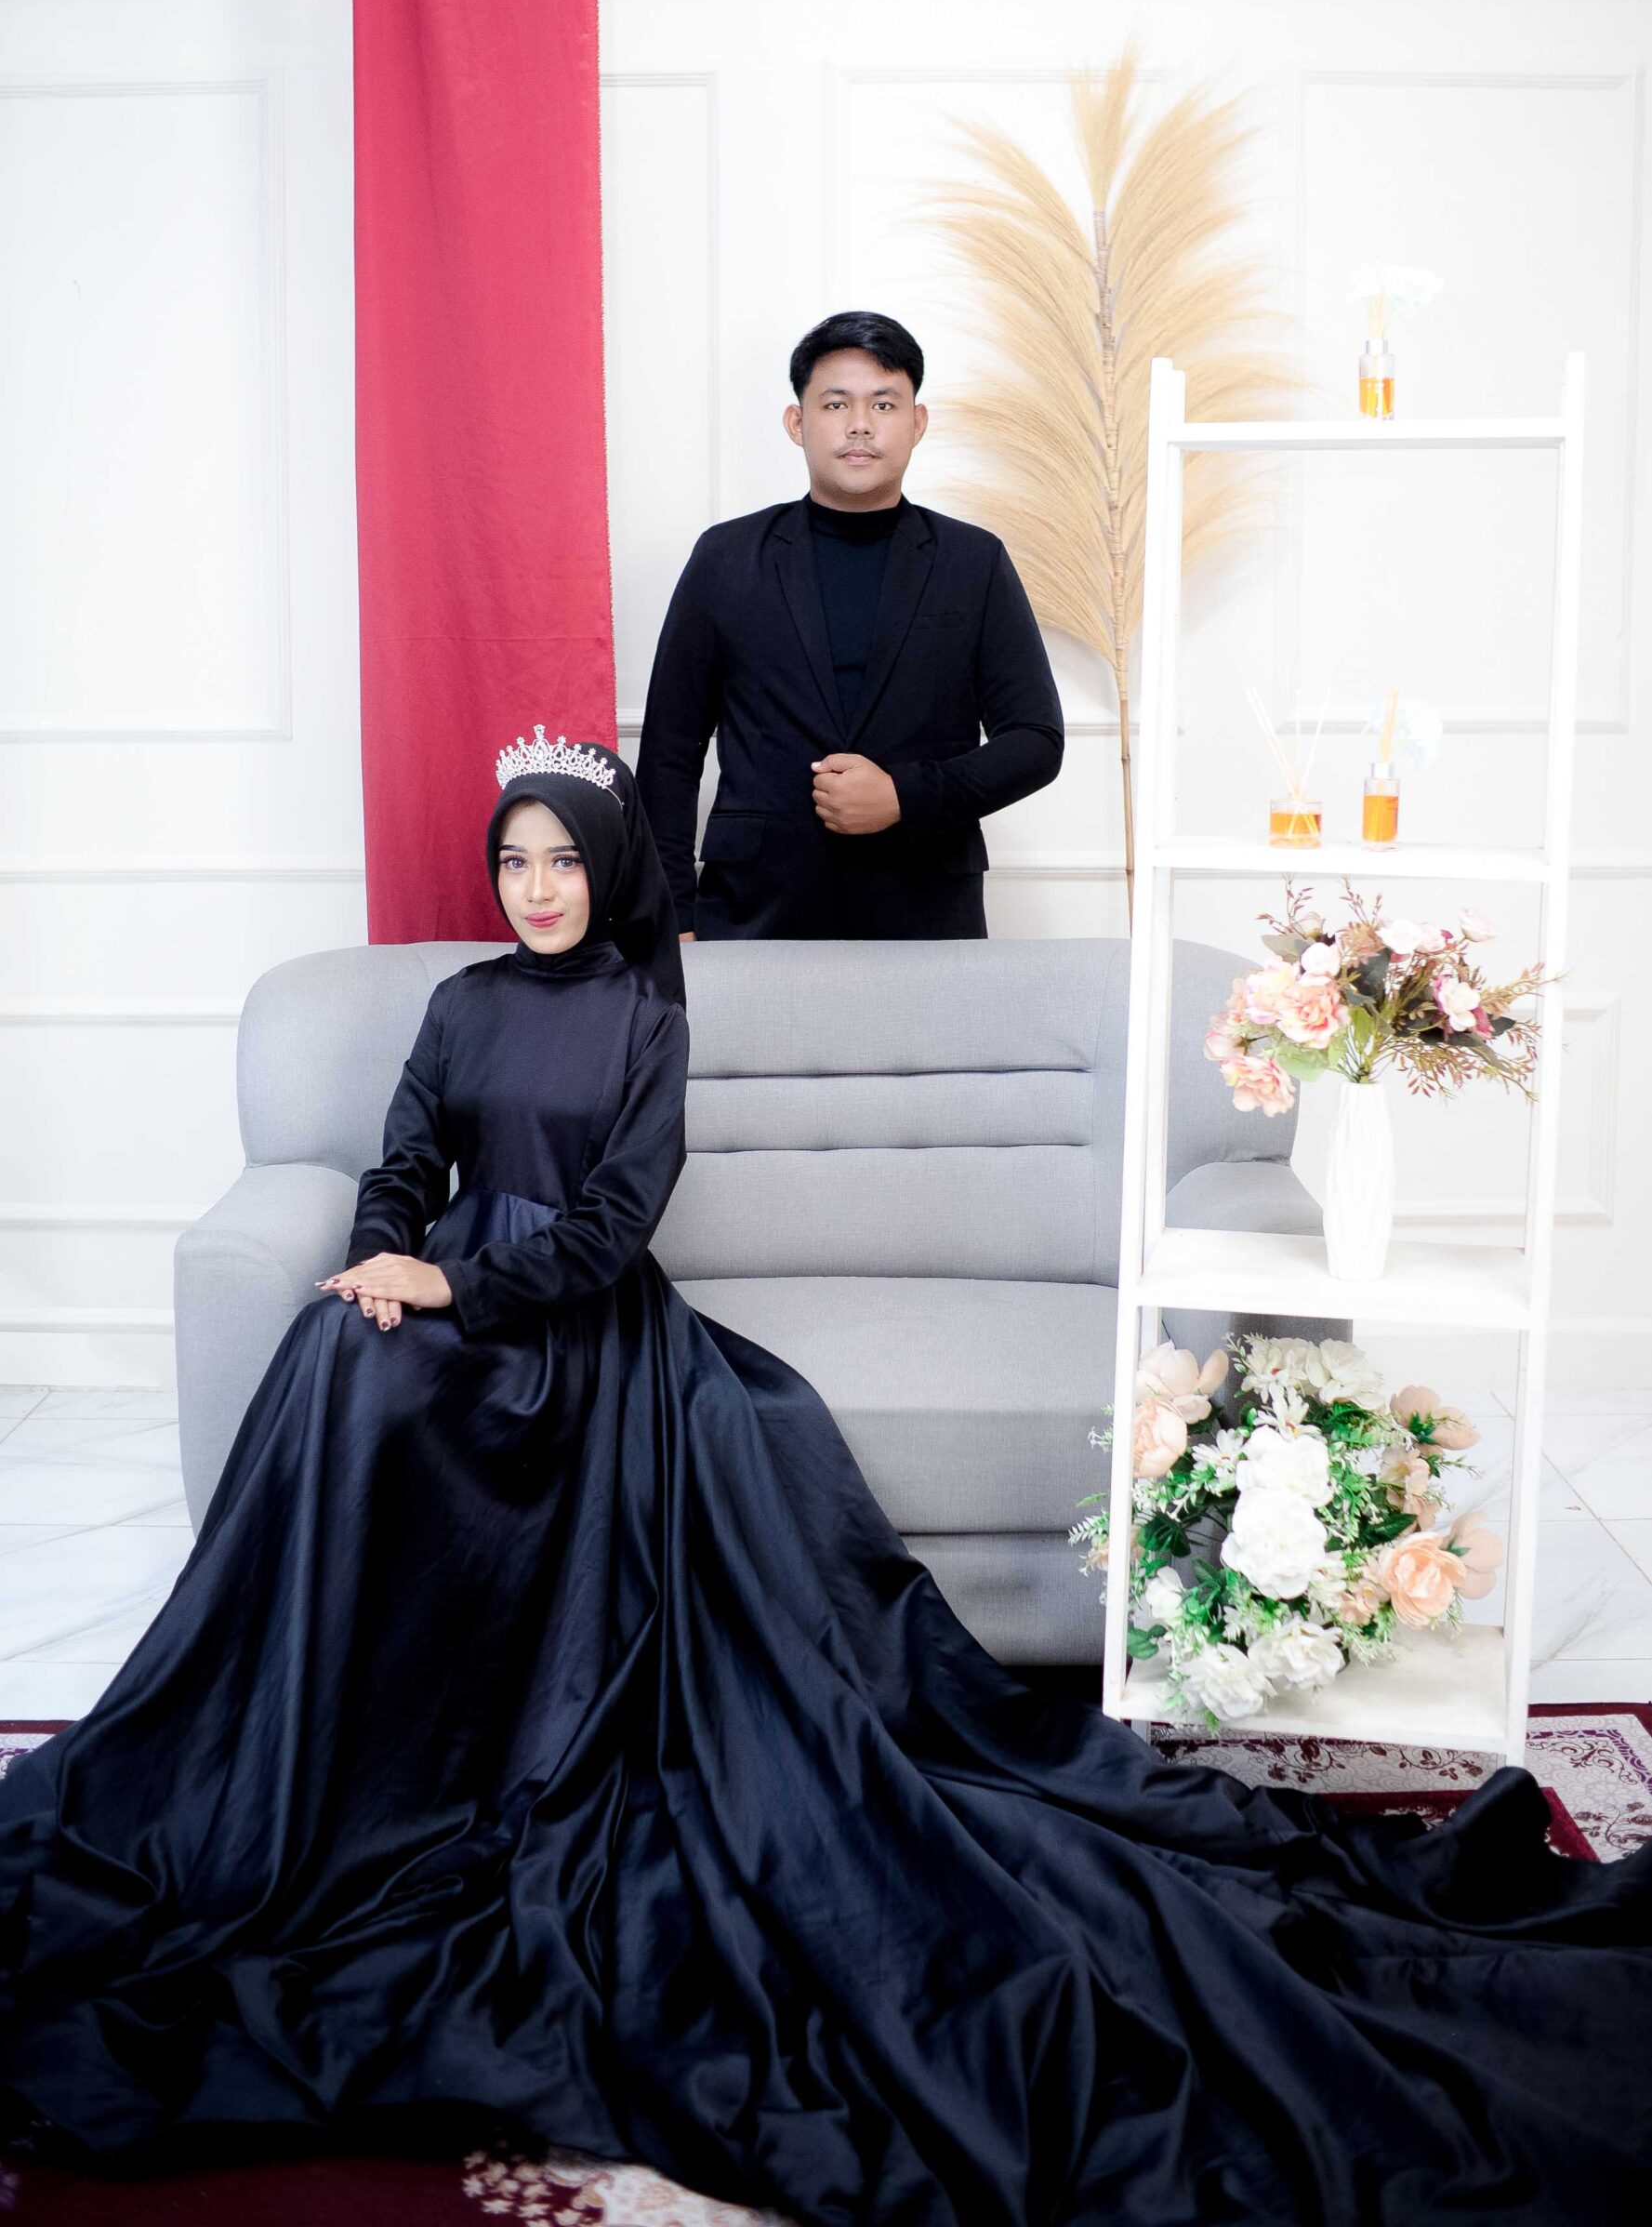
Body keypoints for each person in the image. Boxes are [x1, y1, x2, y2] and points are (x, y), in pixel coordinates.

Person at [2, 734, 1649, 2227]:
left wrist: (461, 1286)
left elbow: (612, 1226)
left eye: (562, 859)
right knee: (333, 1361)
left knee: (430, 1384)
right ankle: (313, 1742)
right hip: (441, 1298)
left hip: (577, 1330)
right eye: (513, 862)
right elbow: (404, 1160)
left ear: (604, 866)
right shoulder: (459, 1004)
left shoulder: (647, 1014)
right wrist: (383, 1262)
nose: (536, 887)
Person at [635, 310, 1064, 942]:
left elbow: (1035, 740)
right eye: (836, 404)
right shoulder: (726, 557)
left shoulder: (973, 561)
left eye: (884, 405)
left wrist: (906, 795)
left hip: (924, 910)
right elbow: (669, 751)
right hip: (753, 911)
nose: (860, 424)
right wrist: (671, 916)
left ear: (917, 423)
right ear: (797, 422)